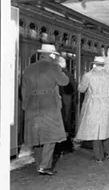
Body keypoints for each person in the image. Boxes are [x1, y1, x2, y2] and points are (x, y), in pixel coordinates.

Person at [21, 44, 69, 175]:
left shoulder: (29, 69)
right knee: (51, 136)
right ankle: (45, 166)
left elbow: (24, 90)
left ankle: (39, 165)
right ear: (52, 55)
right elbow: (64, 81)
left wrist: (25, 106)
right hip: (49, 106)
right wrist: (60, 67)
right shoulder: (54, 67)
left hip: (32, 106)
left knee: (36, 137)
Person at [75, 56, 109, 163]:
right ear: (103, 65)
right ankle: (108, 152)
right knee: (107, 128)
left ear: (93, 64)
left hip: (92, 105)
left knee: (95, 131)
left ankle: (99, 157)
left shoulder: (88, 75)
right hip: (107, 105)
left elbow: (81, 89)